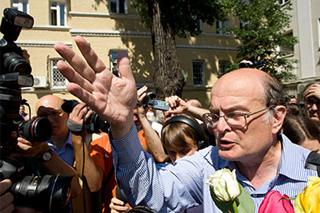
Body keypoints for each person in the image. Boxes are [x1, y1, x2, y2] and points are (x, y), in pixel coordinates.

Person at [54, 36, 318, 212]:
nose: (221, 127)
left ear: (278, 117)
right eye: (215, 115)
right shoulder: (207, 164)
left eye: (237, 115)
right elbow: (149, 195)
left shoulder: (314, 174)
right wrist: (122, 126)